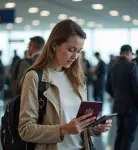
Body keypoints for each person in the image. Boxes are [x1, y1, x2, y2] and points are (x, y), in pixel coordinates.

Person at [18, 20, 112, 150]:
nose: (75, 56)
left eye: (79, 51)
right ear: (54, 45)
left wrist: (94, 128)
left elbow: (78, 127)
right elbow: (26, 130)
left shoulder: (77, 79)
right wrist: (63, 129)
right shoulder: (34, 77)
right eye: (71, 50)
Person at [106, 45, 138, 150]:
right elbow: (136, 88)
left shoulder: (112, 67)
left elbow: (107, 88)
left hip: (118, 106)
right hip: (131, 108)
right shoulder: (132, 66)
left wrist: (117, 96)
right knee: (128, 136)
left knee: (120, 133)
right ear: (129, 53)